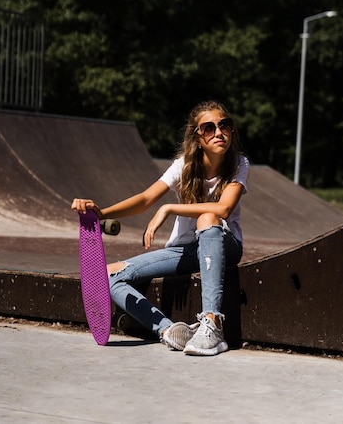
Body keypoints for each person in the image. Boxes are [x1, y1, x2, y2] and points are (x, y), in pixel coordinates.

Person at [71, 100, 249, 356]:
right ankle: (169, 331)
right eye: (209, 128)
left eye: (224, 125)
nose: (219, 133)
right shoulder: (185, 165)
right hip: (187, 251)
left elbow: (222, 209)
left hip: (225, 245)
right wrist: (102, 212)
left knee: (207, 219)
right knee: (107, 275)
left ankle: (212, 324)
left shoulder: (239, 164)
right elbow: (145, 199)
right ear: (198, 137)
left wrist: (168, 209)